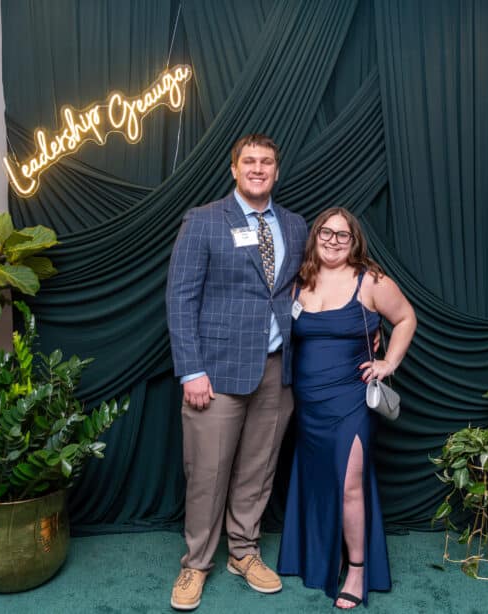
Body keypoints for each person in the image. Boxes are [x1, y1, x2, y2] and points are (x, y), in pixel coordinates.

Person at [165, 134, 308, 611]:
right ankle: (196, 563)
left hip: (276, 370)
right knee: (207, 473)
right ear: (234, 169)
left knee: (258, 469)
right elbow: (181, 298)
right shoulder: (204, 220)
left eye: (266, 162)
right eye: (249, 161)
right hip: (216, 372)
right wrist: (191, 370)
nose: (258, 168)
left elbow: (306, 286)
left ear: (276, 171)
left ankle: (243, 552)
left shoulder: (295, 225)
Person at [277, 207, 417, 609]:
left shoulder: (370, 281)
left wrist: (388, 362)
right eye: (326, 232)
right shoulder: (299, 281)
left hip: (350, 400)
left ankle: (357, 568)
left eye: (343, 235)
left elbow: (406, 318)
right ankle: (326, 556)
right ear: (315, 236)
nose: (333, 241)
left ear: (354, 241)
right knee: (320, 480)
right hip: (308, 402)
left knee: (350, 485)